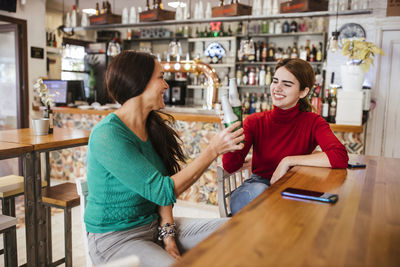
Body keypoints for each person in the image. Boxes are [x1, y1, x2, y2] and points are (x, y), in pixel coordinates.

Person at [84, 50, 244, 266]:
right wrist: (212, 150)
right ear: (138, 82)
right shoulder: (108, 135)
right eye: (160, 77)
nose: (166, 85)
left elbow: (162, 196)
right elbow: (163, 189)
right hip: (116, 239)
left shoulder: (152, 126)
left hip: (154, 226)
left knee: (238, 230)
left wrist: (168, 237)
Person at [222, 58, 348, 215]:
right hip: (255, 189)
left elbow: (340, 156)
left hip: (293, 188)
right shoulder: (254, 121)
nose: (277, 88)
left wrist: (288, 161)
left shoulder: (313, 122)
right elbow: (230, 166)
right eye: (275, 81)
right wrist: (232, 134)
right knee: (261, 192)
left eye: (287, 84)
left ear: (303, 92)